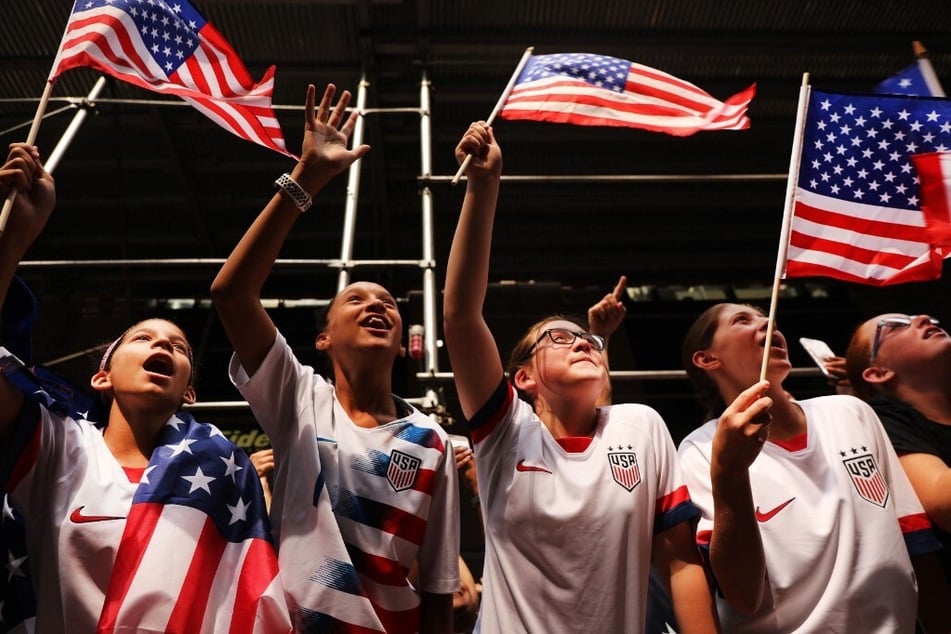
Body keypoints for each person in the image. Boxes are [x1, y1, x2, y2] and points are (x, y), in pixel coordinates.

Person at [0, 143, 290, 632]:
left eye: (178, 347)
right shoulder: (56, 445)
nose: (162, 345)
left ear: (189, 393)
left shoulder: (225, 468)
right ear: (102, 377)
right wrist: (13, 239)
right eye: (142, 338)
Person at [442, 121, 718, 633]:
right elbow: (460, 315)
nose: (582, 343)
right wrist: (485, 186)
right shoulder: (506, 433)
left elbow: (681, 563)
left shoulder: (640, 425)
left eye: (586, 339)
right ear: (522, 378)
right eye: (559, 338)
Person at [211, 84, 459, 634]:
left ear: (401, 341)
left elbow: (440, 587)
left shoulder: (433, 440)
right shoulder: (298, 396)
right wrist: (305, 181)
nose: (376, 306)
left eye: (388, 304)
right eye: (356, 299)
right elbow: (231, 294)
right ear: (322, 339)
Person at [679, 302, 948, 633]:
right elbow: (743, 596)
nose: (767, 322)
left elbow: (915, 540)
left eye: (767, 316)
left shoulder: (851, 412)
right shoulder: (700, 449)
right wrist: (729, 472)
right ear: (707, 359)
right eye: (742, 320)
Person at [845, 314, 951, 581]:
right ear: (878, 372)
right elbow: (944, 505)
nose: (925, 318)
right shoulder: (883, 422)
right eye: (894, 325)